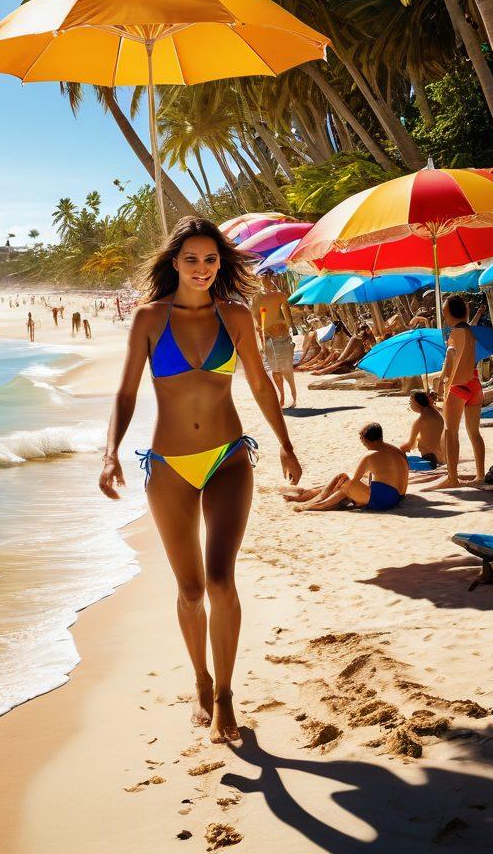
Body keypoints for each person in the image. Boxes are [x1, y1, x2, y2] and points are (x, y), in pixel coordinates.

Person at [99, 217, 302, 744]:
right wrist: (110, 453)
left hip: (228, 458)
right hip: (168, 466)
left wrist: (285, 443)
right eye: (192, 259)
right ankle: (200, 682)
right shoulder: (148, 319)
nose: (202, 268)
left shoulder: (235, 315)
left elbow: (258, 383)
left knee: (219, 582)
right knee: (189, 591)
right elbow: (125, 393)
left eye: (211, 259)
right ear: (174, 262)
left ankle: (226, 697)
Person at [285, 422, 408, 513]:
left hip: (384, 501)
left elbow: (352, 483)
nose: (363, 445)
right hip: (398, 496)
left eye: (363, 441)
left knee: (344, 481)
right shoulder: (396, 450)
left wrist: (341, 484)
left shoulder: (370, 455)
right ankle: (308, 496)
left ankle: (318, 504)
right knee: (344, 481)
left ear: (367, 440)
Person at [429, 295, 486, 487]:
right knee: (474, 433)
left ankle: (452, 478)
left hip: (459, 385)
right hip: (475, 384)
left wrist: (441, 379)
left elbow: (451, 355)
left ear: (447, 313)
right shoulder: (471, 332)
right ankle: (480, 475)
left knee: (450, 431)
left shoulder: (454, 333)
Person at [254, 270, 297, 408]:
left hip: (279, 334)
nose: (267, 279)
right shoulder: (260, 296)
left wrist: (292, 328)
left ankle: (291, 395)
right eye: (265, 277)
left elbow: (287, 313)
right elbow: (255, 314)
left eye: (268, 277)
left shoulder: (278, 295)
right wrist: (260, 328)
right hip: (271, 335)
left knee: (283, 368)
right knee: (277, 369)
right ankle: (283, 395)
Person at [399, 390, 445, 466]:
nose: (410, 405)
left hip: (430, 460)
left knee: (400, 457)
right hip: (440, 458)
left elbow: (409, 446)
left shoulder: (420, 421)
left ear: (417, 403)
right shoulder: (437, 414)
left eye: (411, 402)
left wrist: (399, 449)